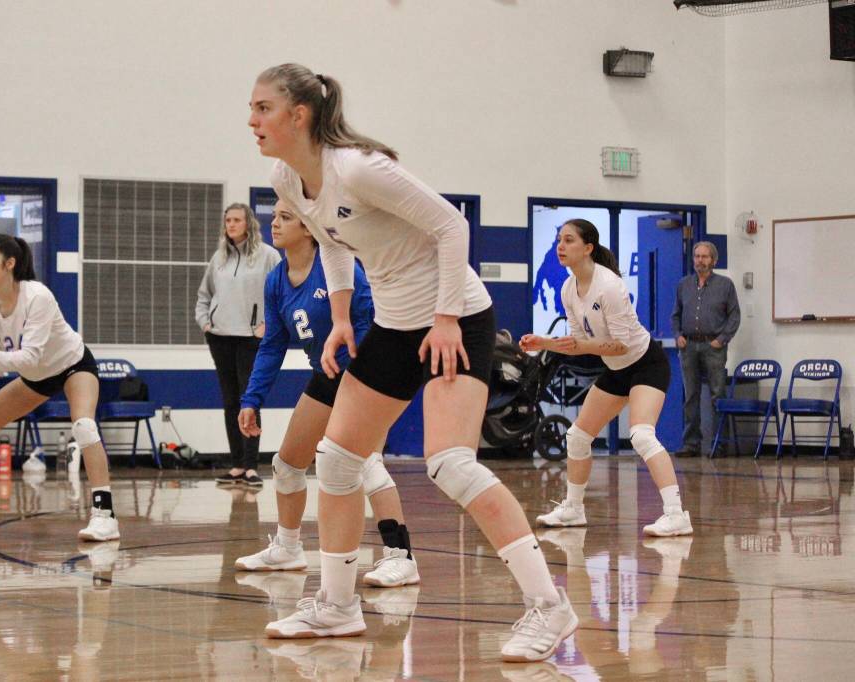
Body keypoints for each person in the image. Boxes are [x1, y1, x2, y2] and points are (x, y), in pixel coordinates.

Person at [248, 63, 576, 662]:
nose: (252, 120)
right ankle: (339, 607)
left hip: (456, 320)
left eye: (263, 108)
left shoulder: (359, 169)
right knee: (339, 461)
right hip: (396, 326)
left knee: (450, 463)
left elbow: (452, 225)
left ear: (299, 115)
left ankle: (551, 608)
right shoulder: (287, 177)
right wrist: (343, 317)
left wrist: (447, 316)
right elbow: (328, 242)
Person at [234, 199, 419, 588]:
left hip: (367, 370)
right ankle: (287, 548)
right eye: (275, 217)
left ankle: (400, 558)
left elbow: (371, 320)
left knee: (364, 461)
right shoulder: (276, 280)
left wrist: (362, 378)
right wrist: (252, 399)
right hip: (327, 373)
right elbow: (271, 345)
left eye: (286, 217)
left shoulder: (337, 264)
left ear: (308, 228)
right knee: (287, 464)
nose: (275, 223)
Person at [0, 233, 119, 542]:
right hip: (36, 376)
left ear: (10, 264)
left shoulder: (38, 296)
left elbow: (29, 355)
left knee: (85, 426)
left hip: (72, 365)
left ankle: (105, 516)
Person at [523, 219, 694, 538]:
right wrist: (543, 343)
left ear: (587, 248)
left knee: (642, 435)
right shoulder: (567, 290)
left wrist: (571, 345)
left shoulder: (610, 287)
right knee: (577, 437)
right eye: (560, 239)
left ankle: (676, 514)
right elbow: (579, 343)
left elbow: (621, 344)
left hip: (646, 364)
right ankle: (573, 509)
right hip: (616, 370)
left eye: (569, 240)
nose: (561, 246)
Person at [195, 203, 282, 487]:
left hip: (250, 338)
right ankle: (235, 465)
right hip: (220, 336)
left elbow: (282, 291)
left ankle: (251, 466)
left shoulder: (268, 256)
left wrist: (268, 324)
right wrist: (205, 322)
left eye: (236, 220)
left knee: (249, 399)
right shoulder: (218, 258)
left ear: (249, 223)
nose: (231, 224)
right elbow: (204, 295)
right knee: (230, 400)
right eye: (227, 220)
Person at [671, 241, 740, 457]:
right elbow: (675, 314)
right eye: (697, 256)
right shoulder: (684, 284)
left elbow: (734, 316)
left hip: (713, 346)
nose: (700, 260)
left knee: (717, 395)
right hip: (688, 346)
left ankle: (719, 444)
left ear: (714, 260)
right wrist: (678, 335)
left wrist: (722, 339)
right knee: (691, 395)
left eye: (705, 257)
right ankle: (691, 444)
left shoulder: (725, 285)